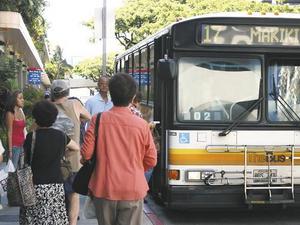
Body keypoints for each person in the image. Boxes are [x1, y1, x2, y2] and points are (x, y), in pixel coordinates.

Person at [81, 73, 157, 225]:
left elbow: (86, 154)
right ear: (133, 96)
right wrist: (135, 168)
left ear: (110, 92)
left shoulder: (98, 119)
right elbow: (151, 160)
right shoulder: (142, 125)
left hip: (104, 187)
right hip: (133, 188)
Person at [20, 100, 80, 225]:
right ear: (54, 117)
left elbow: (25, 158)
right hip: (55, 186)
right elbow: (75, 148)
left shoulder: (31, 137)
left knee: (34, 219)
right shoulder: (61, 136)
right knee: (54, 219)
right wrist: (62, 154)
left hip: (34, 186)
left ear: (36, 118)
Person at [51, 80, 91, 225]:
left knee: (55, 194)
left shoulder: (47, 106)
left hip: (52, 160)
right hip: (72, 159)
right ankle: (72, 223)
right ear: (67, 92)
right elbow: (89, 117)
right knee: (73, 195)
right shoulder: (75, 104)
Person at [5, 90, 26, 169]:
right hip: (14, 146)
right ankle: (12, 182)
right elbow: (9, 132)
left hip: (22, 144)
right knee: (13, 170)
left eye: (22, 98)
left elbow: (24, 127)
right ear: (14, 100)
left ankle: (20, 182)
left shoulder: (21, 111)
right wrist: (10, 150)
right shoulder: (10, 113)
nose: (22, 100)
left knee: (21, 169)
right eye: (20, 98)